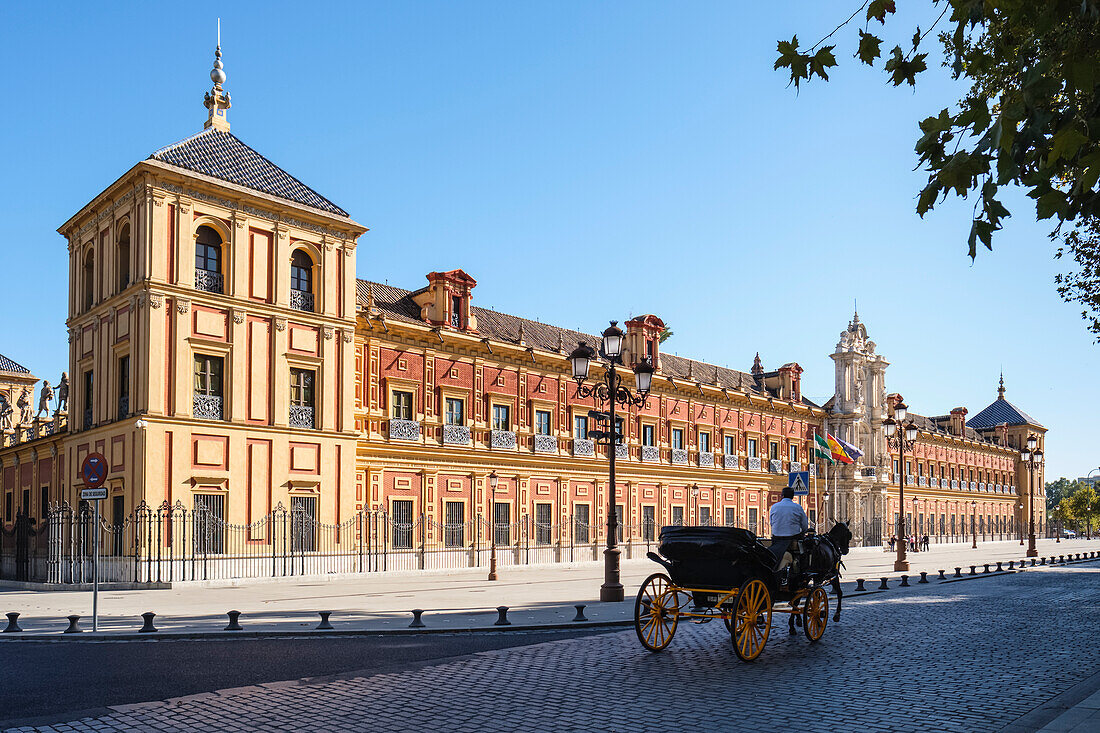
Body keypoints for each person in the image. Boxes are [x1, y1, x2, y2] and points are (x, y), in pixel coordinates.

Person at [769, 487, 808, 588]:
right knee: (806, 554)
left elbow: (771, 523)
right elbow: (804, 525)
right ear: (793, 497)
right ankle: (802, 574)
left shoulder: (774, 506)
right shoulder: (797, 507)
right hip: (792, 540)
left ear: (781, 496)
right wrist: (803, 533)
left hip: (776, 539)